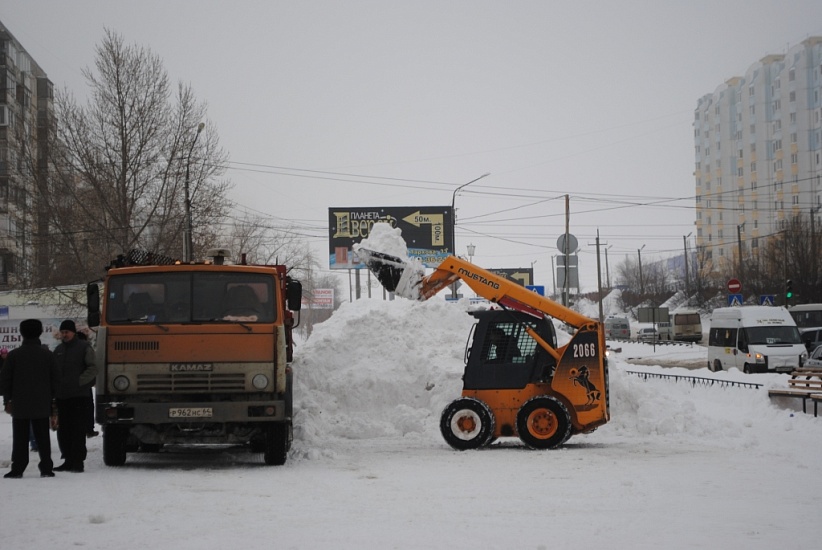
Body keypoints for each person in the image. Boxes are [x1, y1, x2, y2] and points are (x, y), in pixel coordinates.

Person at [0, 319, 58, 478]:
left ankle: (18, 468)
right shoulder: (48, 355)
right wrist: (52, 397)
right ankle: (46, 468)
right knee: (43, 437)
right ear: (40, 332)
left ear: (22, 333)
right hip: (42, 402)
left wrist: (8, 399)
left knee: (20, 438)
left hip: (20, 403)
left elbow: (5, 381)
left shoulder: (13, 355)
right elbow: (55, 379)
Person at [53, 320, 97, 473]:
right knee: (64, 430)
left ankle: (78, 462)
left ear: (73, 332)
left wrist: (79, 382)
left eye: (67, 332)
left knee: (78, 430)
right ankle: (67, 460)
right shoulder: (58, 350)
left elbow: (93, 368)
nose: (64, 335)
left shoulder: (84, 348)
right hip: (62, 396)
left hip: (79, 396)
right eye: (62, 332)